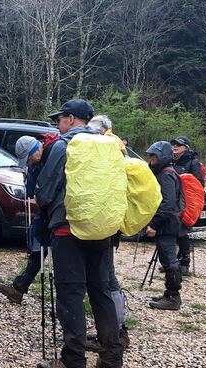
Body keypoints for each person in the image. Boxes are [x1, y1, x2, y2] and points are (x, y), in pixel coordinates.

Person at [35, 99, 124, 368]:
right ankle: (112, 360)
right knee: (101, 292)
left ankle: (73, 363)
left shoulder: (63, 146)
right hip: (103, 229)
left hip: (68, 230)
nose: (57, 124)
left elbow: (46, 192)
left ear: (72, 119)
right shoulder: (111, 147)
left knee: (71, 295)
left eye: (59, 119)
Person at [85, 115, 130, 352]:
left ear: (102, 130)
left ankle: (117, 333)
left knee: (106, 280)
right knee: (106, 278)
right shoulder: (119, 149)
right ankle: (116, 332)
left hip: (104, 223)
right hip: (110, 222)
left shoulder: (108, 148)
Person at [0, 135, 49, 304]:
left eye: (29, 157)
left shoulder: (52, 157)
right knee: (38, 245)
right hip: (46, 214)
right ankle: (19, 287)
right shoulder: (36, 163)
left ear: (36, 149)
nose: (29, 162)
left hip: (55, 214)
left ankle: (19, 287)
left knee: (46, 249)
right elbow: (31, 191)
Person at [145, 141, 185, 311]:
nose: (151, 159)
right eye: (151, 156)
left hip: (167, 225)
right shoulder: (163, 172)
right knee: (167, 259)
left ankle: (173, 297)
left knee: (170, 261)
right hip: (167, 224)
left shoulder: (167, 174)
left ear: (162, 157)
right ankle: (169, 295)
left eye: (154, 156)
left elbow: (168, 204)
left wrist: (154, 224)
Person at [170, 136, 203, 273]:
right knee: (171, 231)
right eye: (174, 144)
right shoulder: (169, 159)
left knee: (182, 232)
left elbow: (199, 184)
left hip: (185, 202)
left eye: (179, 144)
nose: (175, 146)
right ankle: (171, 262)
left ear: (186, 147)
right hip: (172, 199)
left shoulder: (193, 162)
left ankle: (184, 261)